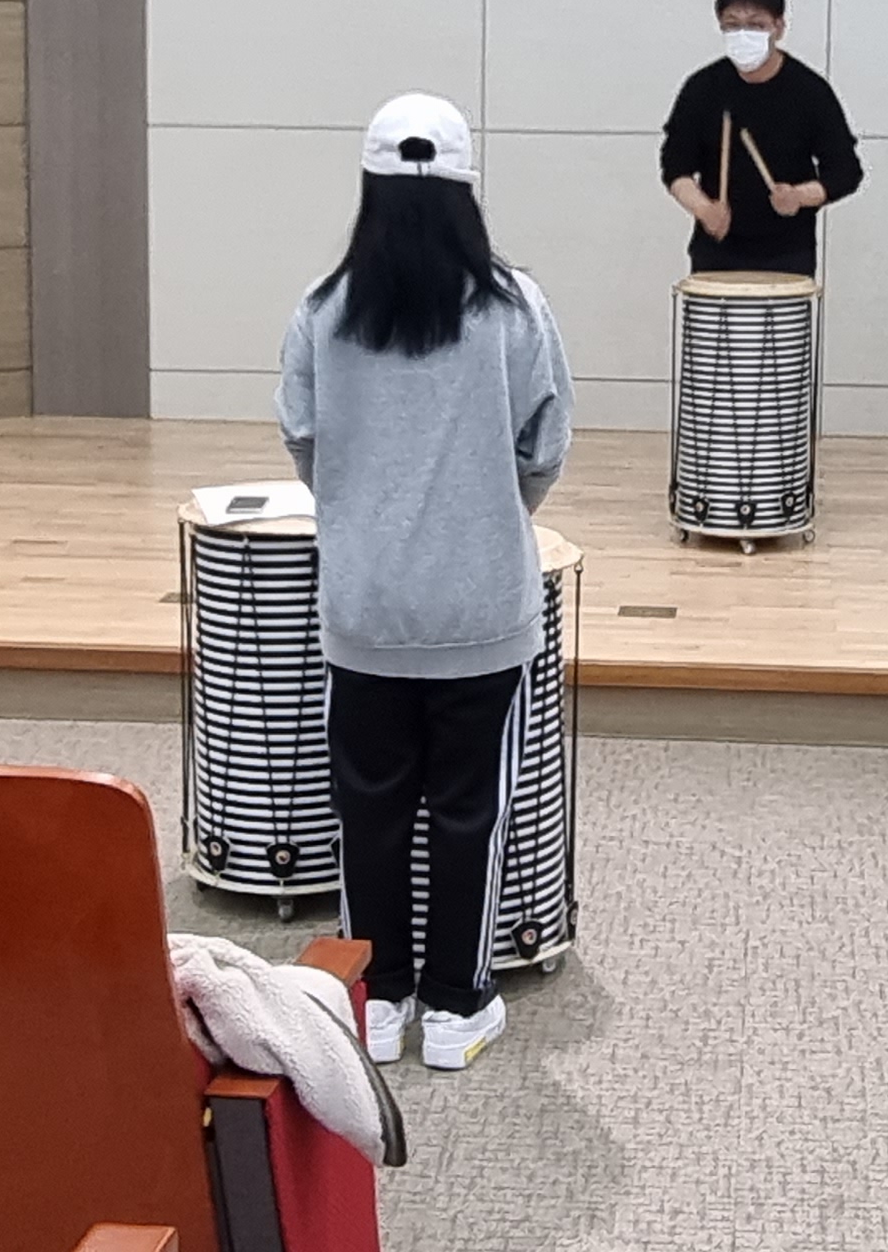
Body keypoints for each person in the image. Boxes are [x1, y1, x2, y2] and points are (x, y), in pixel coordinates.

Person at [280, 93, 572, 1072]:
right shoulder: (515, 308)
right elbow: (545, 442)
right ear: (465, 190)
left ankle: (375, 999)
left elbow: (304, 439)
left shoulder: (322, 309)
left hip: (365, 607)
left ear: (368, 188)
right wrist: (488, 512)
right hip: (481, 607)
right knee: (467, 811)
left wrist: (364, 517)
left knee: (366, 811)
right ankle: (455, 1004)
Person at [660, 0, 862, 274]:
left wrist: (799, 196)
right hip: (715, 251)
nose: (743, 35)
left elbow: (845, 171)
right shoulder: (703, 87)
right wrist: (703, 209)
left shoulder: (809, 91)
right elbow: (675, 166)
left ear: (778, 28)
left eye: (756, 25)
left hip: (788, 253)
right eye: (732, 25)